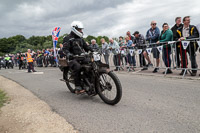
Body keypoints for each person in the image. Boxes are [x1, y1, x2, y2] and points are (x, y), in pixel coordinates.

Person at [62, 21, 93, 94]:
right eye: (80, 29)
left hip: (81, 57)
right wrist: (69, 54)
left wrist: (93, 49)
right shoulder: (67, 38)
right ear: (74, 29)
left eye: (81, 29)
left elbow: (86, 47)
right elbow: (65, 49)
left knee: (91, 64)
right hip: (72, 58)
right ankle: (78, 86)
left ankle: (90, 82)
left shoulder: (80, 38)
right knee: (78, 67)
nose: (81, 31)